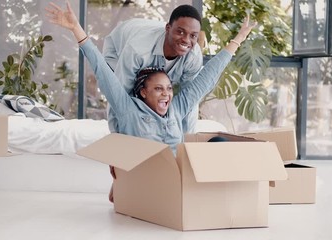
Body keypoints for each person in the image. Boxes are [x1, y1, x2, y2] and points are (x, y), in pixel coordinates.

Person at [46, 0, 256, 202]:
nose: (166, 94)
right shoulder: (128, 109)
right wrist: (76, 29)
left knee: (218, 144)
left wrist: (238, 38)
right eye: (158, 89)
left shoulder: (176, 108)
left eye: (168, 88)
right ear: (143, 93)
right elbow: (102, 70)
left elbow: (206, 78)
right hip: (149, 176)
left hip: (177, 176)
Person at [102, 4, 203, 134]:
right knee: (134, 94)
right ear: (168, 28)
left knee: (160, 94)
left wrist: (187, 140)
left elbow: (190, 99)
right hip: (116, 50)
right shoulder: (138, 50)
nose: (186, 40)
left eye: (193, 36)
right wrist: (116, 136)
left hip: (143, 39)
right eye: (180, 32)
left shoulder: (193, 56)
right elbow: (118, 94)